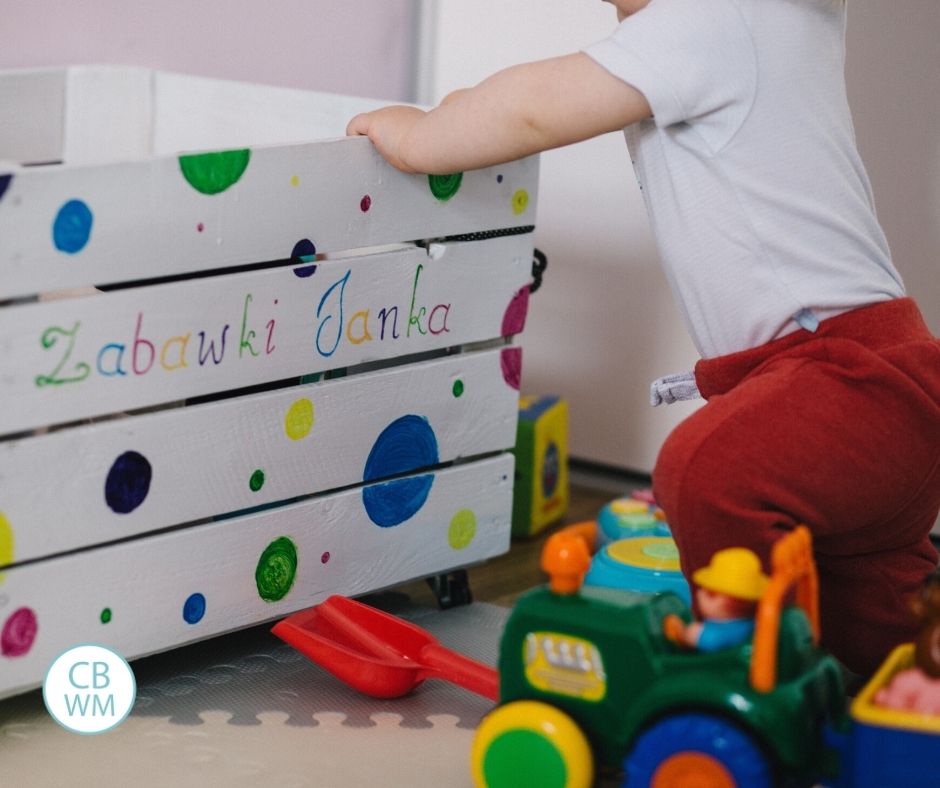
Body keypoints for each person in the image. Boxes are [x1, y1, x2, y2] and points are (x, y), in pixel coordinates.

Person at [346, 0, 940, 676]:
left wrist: (422, 136)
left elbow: (532, 110)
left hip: (844, 376)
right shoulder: (752, 27)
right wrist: (462, 113)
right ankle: (896, 711)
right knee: (874, 626)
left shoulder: (716, 17)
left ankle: (738, 680)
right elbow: (524, 103)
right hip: (884, 389)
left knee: (704, 473)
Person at [662, 548, 767, 653]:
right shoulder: (755, 625)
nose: (699, 594)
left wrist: (683, 633)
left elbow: (691, 638)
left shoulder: (707, 634)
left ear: (730, 603)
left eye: (710, 593)